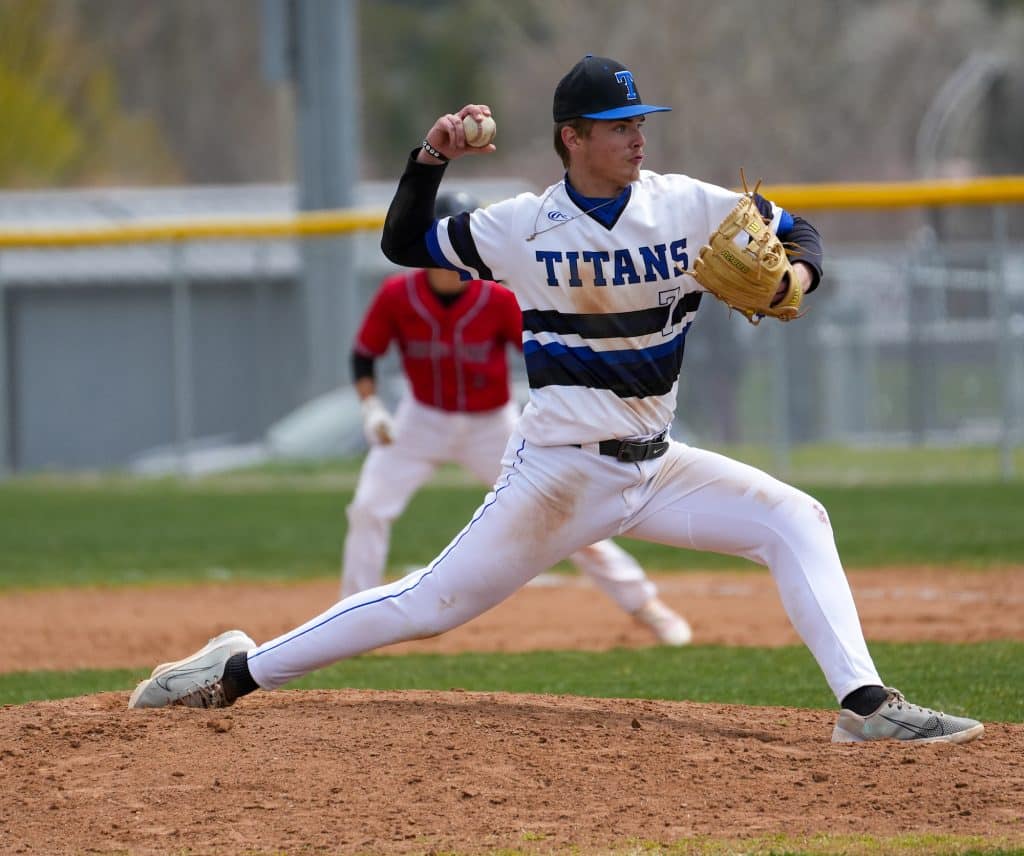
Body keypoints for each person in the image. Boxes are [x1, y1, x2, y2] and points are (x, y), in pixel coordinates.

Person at [129, 55, 984, 745]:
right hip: (559, 473)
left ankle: (866, 706)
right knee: (428, 605)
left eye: (641, 121)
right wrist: (431, 156)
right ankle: (235, 671)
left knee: (798, 517)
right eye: (618, 126)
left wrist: (795, 272)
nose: (637, 136)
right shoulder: (521, 227)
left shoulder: (690, 208)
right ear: (571, 138)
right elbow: (402, 241)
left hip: (658, 466)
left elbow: (799, 230)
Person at [340, 190, 691, 645]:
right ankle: (351, 623)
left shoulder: (496, 298)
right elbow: (364, 356)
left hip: (492, 424)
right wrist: (371, 409)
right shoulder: (397, 296)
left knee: (566, 513)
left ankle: (645, 604)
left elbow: (542, 356)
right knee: (368, 507)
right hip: (420, 420)